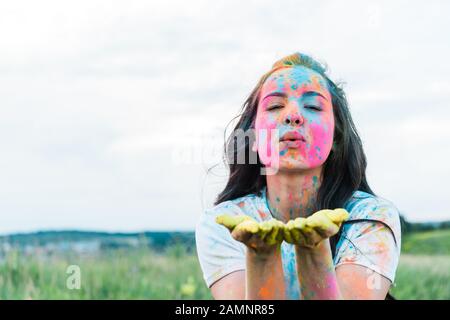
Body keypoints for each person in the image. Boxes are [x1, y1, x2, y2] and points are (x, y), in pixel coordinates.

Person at [195, 53, 401, 300]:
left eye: (313, 106)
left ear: (336, 136)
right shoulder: (224, 223)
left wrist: (313, 248)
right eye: (274, 106)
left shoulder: (370, 217)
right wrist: (261, 254)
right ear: (253, 137)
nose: (292, 115)